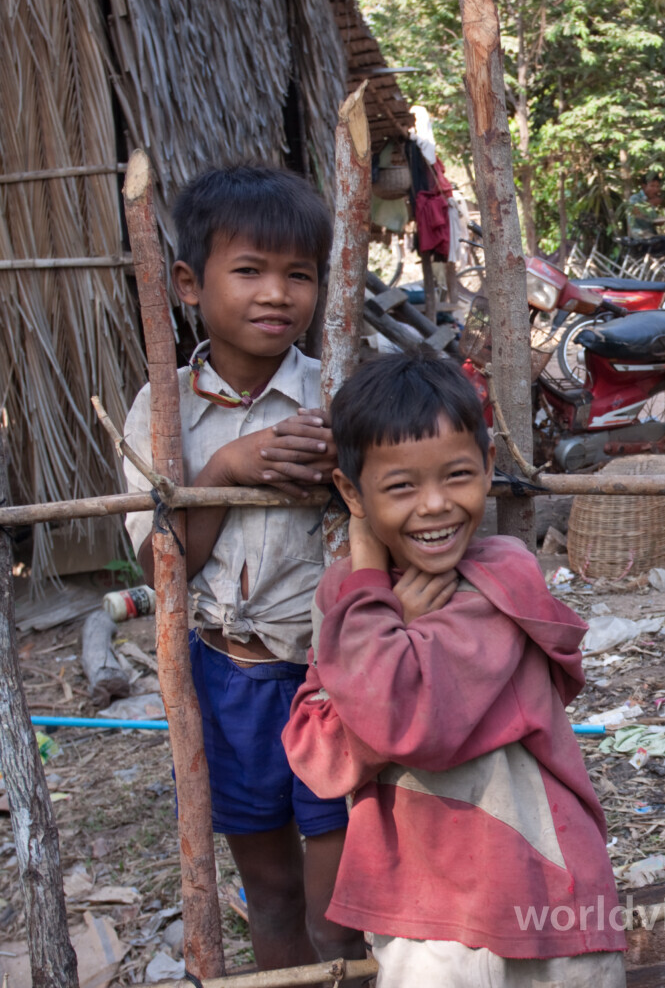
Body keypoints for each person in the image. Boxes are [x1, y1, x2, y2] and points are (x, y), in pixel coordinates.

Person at [283, 351, 626, 988]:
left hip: (541, 893)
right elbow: (318, 756)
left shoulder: (500, 580)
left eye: (457, 475)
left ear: (489, 465)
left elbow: (405, 721)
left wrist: (375, 607)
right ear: (353, 493)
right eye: (400, 487)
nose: (436, 505)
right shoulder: (349, 600)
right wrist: (381, 608)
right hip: (423, 913)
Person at [121, 165, 365, 970]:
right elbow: (164, 573)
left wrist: (351, 471)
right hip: (227, 681)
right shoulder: (164, 411)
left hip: (331, 679)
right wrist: (226, 468)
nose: (276, 294)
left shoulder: (339, 398)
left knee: (341, 912)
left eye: (299, 274)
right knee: (272, 892)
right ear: (189, 283)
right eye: (250, 270)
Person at [625, 172, 665, 257]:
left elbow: (655, 221)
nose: (655, 189)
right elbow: (636, 212)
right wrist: (651, 203)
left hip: (651, 237)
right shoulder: (635, 198)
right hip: (641, 237)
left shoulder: (651, 200)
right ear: (643, 186)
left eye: (657, 186)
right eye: (652, 186)